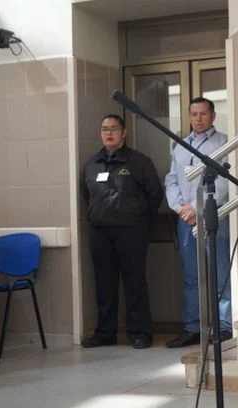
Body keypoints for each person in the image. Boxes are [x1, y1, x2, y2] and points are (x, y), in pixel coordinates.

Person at [80, 114, 163, 349]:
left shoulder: (139, 162)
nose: (109, 133)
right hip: (100, 231)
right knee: (104, 284)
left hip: (131, 230)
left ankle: (140, 333)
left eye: (114, 128)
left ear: (124, 133)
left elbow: (154, 195)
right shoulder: (91, 163)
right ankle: (105, 332)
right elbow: (86, 193)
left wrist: (136, 217)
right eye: (104, 129)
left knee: (134, 282)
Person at [164, 97, 232, 348]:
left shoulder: (223, 142)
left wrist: (197, 207)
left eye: (203, 114)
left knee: (220, 272)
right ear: (189, 116)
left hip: (214, 217)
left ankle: (224, 326)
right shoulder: (180, 146)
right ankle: (192, 327)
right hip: (185, 219)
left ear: (213, 116)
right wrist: (180, 207)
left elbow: (224, 183)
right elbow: (171, 180)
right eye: (194, 114)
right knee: (192, 276)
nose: (198, 118)